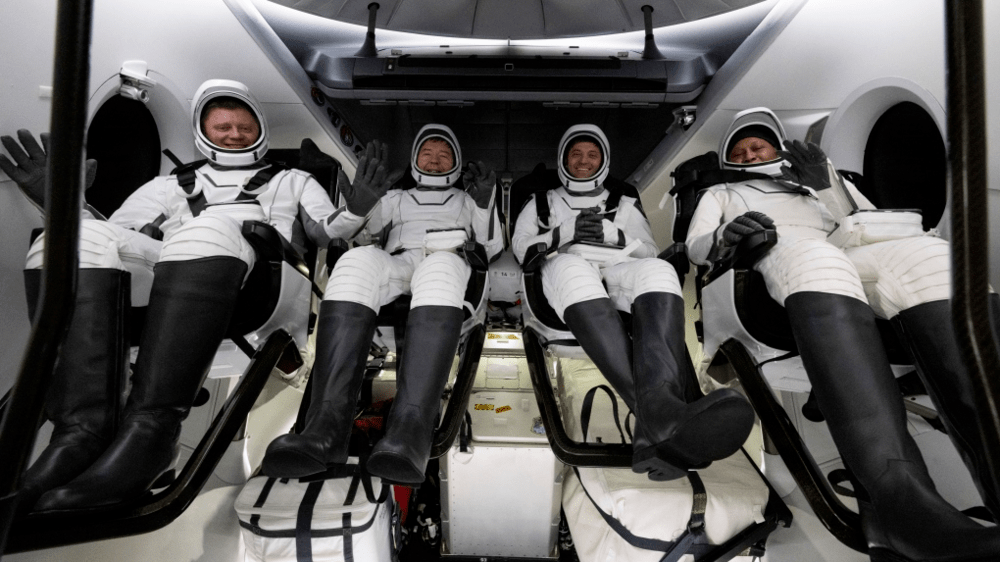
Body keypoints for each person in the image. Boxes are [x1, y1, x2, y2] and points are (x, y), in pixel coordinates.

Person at [0, 79, 368, 512]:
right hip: (178, 275)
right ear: (202, 131)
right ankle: (81, 433)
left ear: (259, 129)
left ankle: (153, 433)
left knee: (204, 228)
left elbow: (325, 229)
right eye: (222, 126)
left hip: (266, 284)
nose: (233, 134)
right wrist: (64, 205)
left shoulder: (292, 180)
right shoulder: (166, 187)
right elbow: (114, 239)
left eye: (243, 126)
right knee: (68, 238)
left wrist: (359, 206)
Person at [686, 107, 1000, 561]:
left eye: (759, 145)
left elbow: (871, 223)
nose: (751, 153)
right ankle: (901, 506)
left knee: (935, 260)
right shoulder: (721, 191)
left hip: (855, 247)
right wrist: (725, 233)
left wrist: (824, 184)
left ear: (776, 146)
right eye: (740, 149)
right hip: (780, 250)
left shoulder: (821, 177)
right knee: (820, 260)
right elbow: (699, 246)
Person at [261, 124, 503, 485]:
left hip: (447, 261)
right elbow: (360, 233)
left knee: (439, 267)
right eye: (428, 154)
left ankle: (410, 433)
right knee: (354, 263)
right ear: (415, 159)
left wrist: (484, 202)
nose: (435, 162)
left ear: (456, 162)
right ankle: (325, 429)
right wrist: (362, 200)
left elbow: (491, 247)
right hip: (399, 262)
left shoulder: (467, 200)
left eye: (443, 155)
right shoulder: (397, 198)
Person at [511, 124, 755, 481]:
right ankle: (663, 413)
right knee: (571, 267)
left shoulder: (622, 202)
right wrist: (566, 233)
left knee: (657, 270)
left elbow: (647, 250)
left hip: (618, 263)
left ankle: (655, 421)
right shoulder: (541, 202)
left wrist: (614, 233)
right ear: (563, 159)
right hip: (564, 264)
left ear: (603, 160)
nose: (583, 161)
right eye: (575, 154)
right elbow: (521, 248)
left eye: (591, 154)